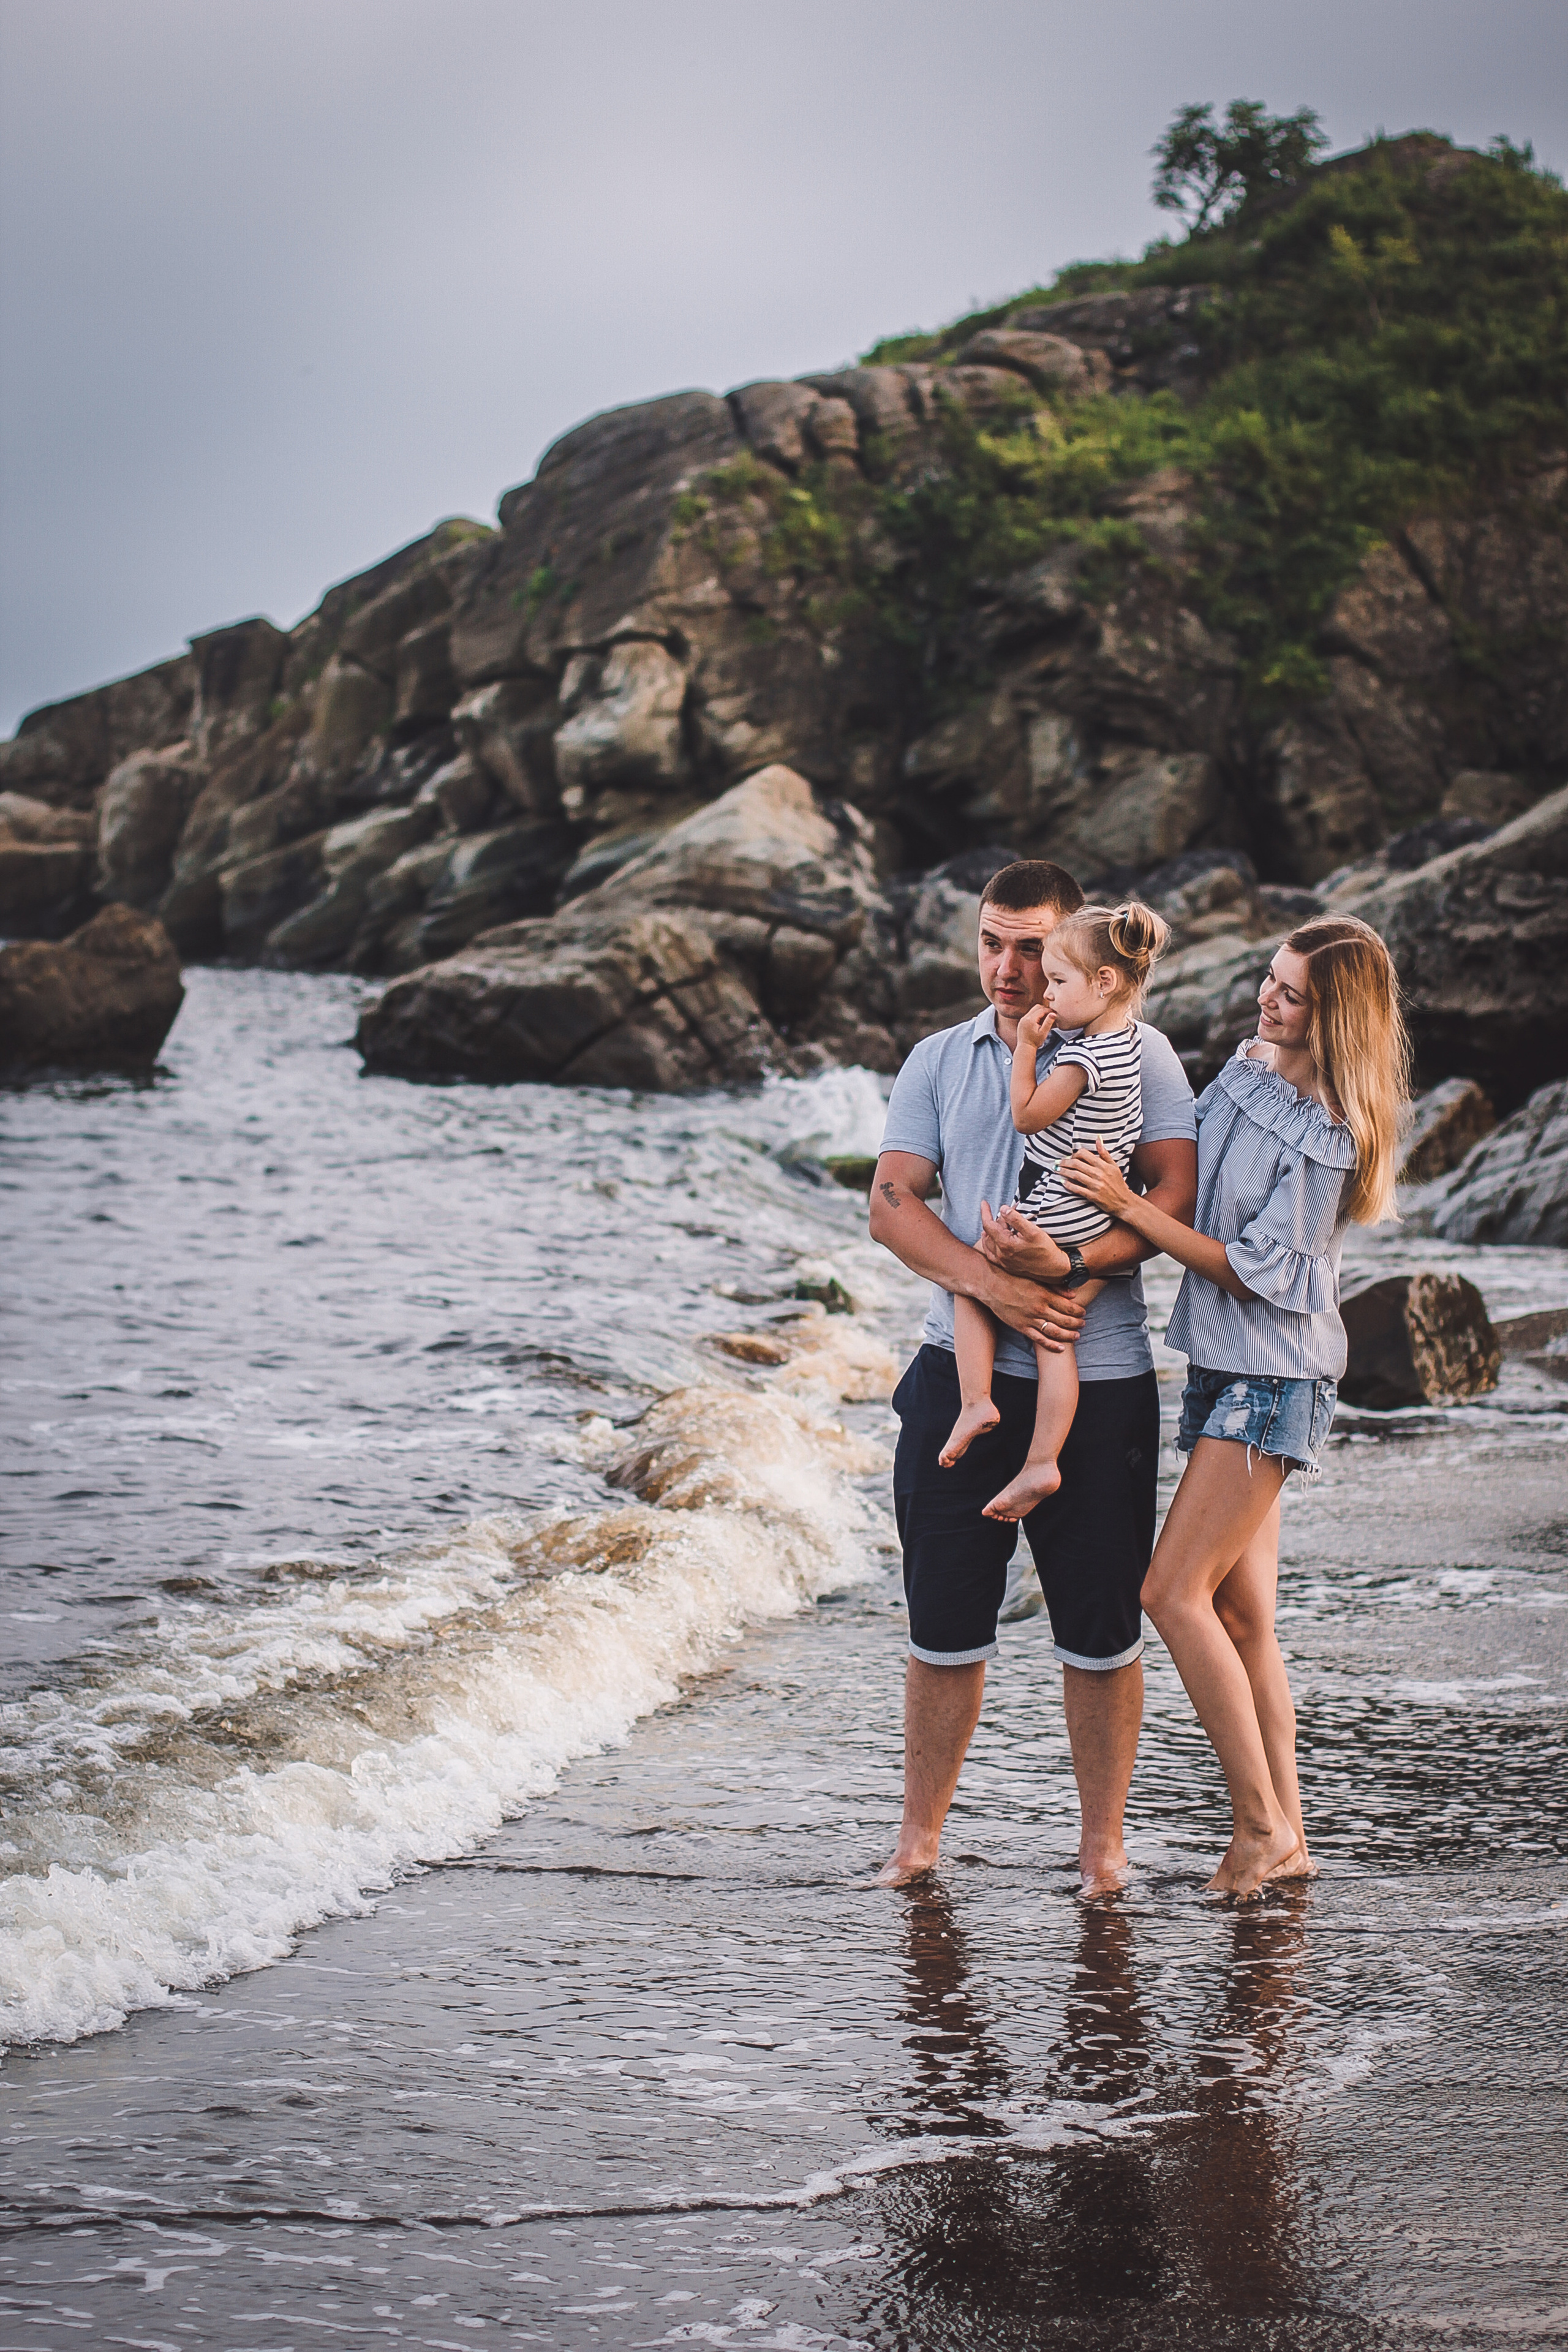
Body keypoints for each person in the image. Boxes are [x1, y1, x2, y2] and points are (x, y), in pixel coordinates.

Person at [1060, 914, 1409, 1898]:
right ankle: (1288, 1834)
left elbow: (1258, 1276)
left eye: (1294, 993)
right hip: (1223, 1367)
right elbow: (1182, 1166)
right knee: (1245, 1617)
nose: (1270, 998)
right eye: (1271, 978)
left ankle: (1256, 1828)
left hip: (1275, 1379)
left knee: (1170, 1593)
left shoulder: (1334, 1135)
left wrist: (1131, 1214)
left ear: (1336, 1016)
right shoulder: (1250, 1066)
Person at [869, 859, 1198, 1893]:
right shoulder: (938, 1058)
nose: (1008, 970)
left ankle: (1103, 1850)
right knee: (942, 1621)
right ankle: (919, 1842)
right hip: (954, 1371)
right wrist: (994, 1288)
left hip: (1099, 1383)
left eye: (1030, 949)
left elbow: (1171, 1204)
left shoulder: (1144, 1058)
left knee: (1100, 1630)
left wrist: (1063, 1266)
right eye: (991, 943)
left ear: (1079, 955)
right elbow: (892, 1204)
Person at [941, 901, 1170, 1524]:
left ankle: (975, 1401)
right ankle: (1042, 1460)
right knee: (1055, 1334)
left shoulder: (1079, 1060)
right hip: (1094, 1210)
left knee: (971, 1273)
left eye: (1059, 980)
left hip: (1059, 1207)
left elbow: (1027, 1115)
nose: (1045, 989)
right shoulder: (1129, 1046)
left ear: (1105, 983)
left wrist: (1026, 1051)